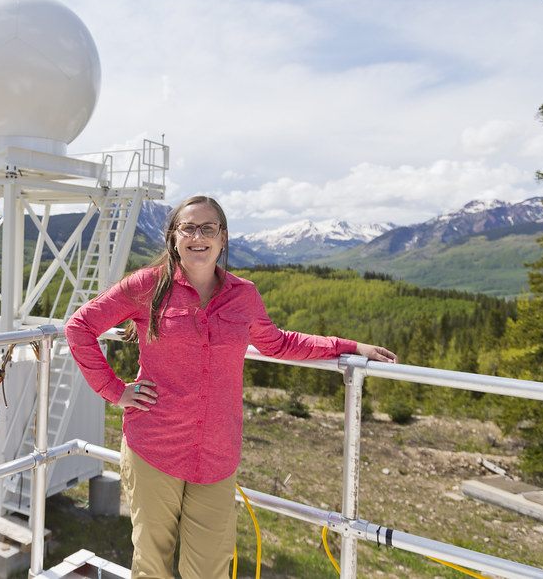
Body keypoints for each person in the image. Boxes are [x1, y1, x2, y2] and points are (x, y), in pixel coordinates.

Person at [63, 195, 398, 578]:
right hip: (153, 446)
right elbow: (79, 327)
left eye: (208, 228)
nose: (198, 236)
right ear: (173, 238)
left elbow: (279, 342)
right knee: (152, 564)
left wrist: (349, 347)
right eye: (188, 228)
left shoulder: (244, 295)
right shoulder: (147, 285)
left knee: (209, 569)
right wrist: (114, 390)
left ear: (223, 238)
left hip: (217, 454)